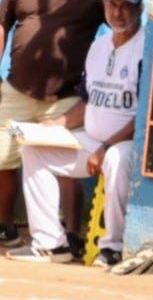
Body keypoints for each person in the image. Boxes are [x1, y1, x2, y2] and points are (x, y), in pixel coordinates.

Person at [5, 0, 141, 266]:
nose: (118, 13)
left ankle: (112, 249)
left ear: (140, 9)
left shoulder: (144, 52)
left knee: (116, 159)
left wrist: (107, 147)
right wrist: (58, 124)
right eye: (113, 5)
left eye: (126, 6)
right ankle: (50, 244)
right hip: (92, 140)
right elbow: (87, 102)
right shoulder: (98, 48)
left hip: (126, 144)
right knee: (34, 149)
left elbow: (143, 117)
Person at [0, 0, 106, 248]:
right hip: (17, 90)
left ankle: (72, 234)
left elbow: (120, 16)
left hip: (67, 96)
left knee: (66, 165)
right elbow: (2, 23)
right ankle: (5, 226)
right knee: (3, 159)